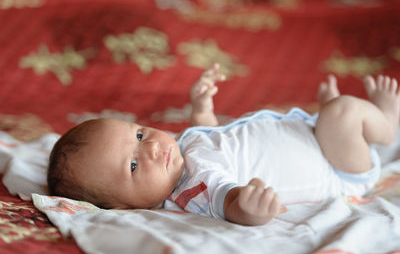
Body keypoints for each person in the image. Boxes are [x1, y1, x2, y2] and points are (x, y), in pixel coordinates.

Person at [47, 64, 400, 226]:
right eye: (134, 166)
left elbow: (214, 140)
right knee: (342, 112)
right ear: (125, 208)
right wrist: (248, 209)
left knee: (332, 116)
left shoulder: (187, 153)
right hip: (338, 167)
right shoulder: (193, 187)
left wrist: (202, 110)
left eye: (138, 135)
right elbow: (226, 198)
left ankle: (337, 119)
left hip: (311, 137)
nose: (152, 147)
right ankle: (386, 123)